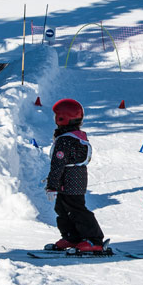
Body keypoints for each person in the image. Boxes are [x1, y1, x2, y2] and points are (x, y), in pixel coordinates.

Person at [44, 99, 106, 253]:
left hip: (70, 180)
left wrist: (52, 185)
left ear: (62, 118)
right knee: (62, 209)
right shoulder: (75, 136)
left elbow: (58, 165)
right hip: (75, 178)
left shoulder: (65, 140)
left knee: (76, 210)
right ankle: (72, 236)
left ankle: (94, 240)